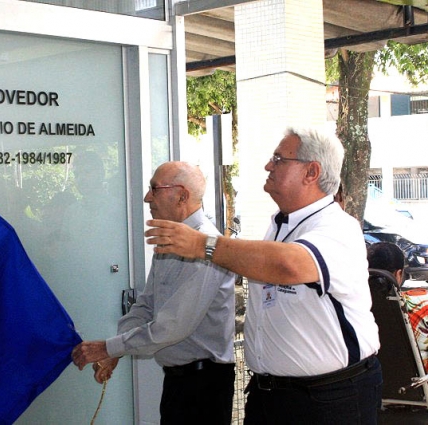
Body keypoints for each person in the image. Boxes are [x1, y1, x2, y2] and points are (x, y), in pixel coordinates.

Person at [144, 127, 382, 424]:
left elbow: (289, 266)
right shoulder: (280, 225)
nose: (269, 165)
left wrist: (201, 245)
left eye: (279, 159)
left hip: (329, 399)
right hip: (271, 395)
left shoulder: (336, 226)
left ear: (312, 171)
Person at [71, 161, 237, 425]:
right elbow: (146, 304)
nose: (148, 197)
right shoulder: (170, 240)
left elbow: (172, 326)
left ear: (181, 195)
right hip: (178, 383)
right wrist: (115, 350)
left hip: (204, 387)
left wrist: (109, 347)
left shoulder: (207, 246)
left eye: (154, 188)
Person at [369, 241, 428, 372]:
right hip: (418, 384)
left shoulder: (355, 307)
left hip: (374, 381)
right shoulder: (421, 307)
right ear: (398, 274)